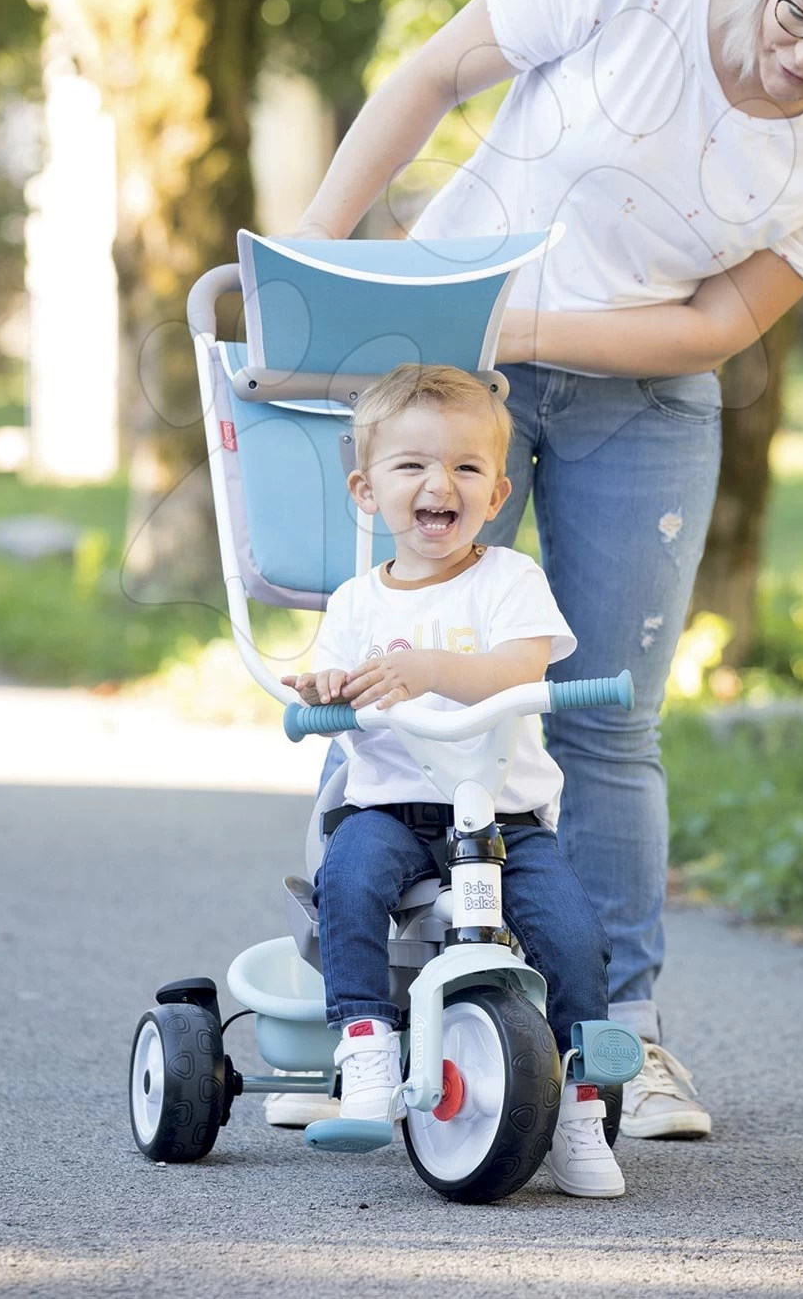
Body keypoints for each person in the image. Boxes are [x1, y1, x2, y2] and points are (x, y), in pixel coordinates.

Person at [292, 0, 803, 1139]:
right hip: (452, 373)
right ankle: (370, 1012)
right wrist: (320, 264)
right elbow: (436, 75)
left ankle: (625, 1040)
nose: (802, 60)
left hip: (643, 396)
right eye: (797, 14)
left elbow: (720, 323)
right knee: (400, 665)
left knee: (605, 716)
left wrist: (531, 324)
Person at [282, 361, 625, 1198]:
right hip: (393, 809)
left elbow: (520, 666)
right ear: (368, 490)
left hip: (503, 818)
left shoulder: (511, 583)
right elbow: (328, 674)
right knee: (348, 879)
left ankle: (581, 1107)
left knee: (573, 936)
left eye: (467, 468)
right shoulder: (358, 603)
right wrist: (324, 687)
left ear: (499, 492)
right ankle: (366, 1043)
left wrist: (431, 667)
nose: (441, 483)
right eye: (413, 467)